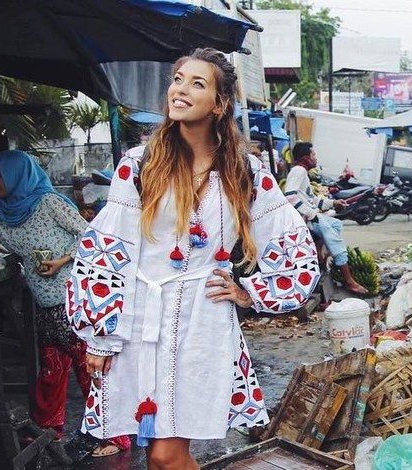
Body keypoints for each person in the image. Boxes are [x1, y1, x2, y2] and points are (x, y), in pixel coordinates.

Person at [65, 48, 320, 469]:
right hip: (138, 320)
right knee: (154, 452)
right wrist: (100, 333)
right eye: (178, 79)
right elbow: (109, 250)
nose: (180, 90)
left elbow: (292, 244)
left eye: (196, 83)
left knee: (168, 455)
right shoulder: (140, 164)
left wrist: (248, 291)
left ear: (220, 103)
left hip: (201, 325)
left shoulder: (245, 170)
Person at [0, 150, 131, 458]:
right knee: (52, 370)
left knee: (89, 368)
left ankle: (116, 434)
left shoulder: (48, 203)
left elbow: (92, 234)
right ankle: (49, 429)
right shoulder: (1, 212)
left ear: (16, 175)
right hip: (45, 302)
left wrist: (62, 260)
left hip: (74, 297)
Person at [284, 142, 369, 295]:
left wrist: (333, 203)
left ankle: (320, 255)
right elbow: (289, 197)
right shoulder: (298, 171)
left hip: (312, 216)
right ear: (305, 158)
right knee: (337, 245)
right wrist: (311, 214)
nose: (315, 158)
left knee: (335, 225)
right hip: (308, 219)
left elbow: (312, 199)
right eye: (313, 155)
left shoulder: (302, 172)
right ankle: (349, 281)